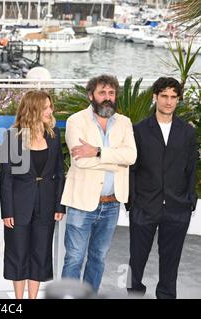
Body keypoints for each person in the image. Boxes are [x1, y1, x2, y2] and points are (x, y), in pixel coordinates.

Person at [60, 74, 137, 293]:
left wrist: (97, 151)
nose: (107, 97)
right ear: (90, 95)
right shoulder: (76, 120)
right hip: (81, 203)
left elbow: (131, 157)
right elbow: (81, 161)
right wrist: (116, 162)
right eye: (102, 92)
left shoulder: (124, 122)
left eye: (111, 93)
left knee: (98, 258)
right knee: (74, 258)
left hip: (112, 203)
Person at [127, 77, 198, 299]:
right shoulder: (139, 130)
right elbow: (132, 168)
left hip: (177, 209)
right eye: (164, 96)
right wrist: (132, 202)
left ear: (178, 100)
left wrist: (189, 201)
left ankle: (166, 296)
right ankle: (134, 295)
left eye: (173, 97)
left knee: (171, 263)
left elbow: (191, 169)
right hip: (144, 207)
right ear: (155, 97)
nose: (168, 102)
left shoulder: (187, 132)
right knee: (135, 261)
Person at [0, 90, 65, 299]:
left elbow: (59, 173)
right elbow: (6, 177)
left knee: (40, 253)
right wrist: (6, 211)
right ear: (33, 109)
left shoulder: (54, 136)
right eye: (45, 107)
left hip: (46, 205)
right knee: (18, 254)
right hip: (19, 206)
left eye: (50, 106)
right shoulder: (13, 136)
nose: (50, 111)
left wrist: (59, 205)